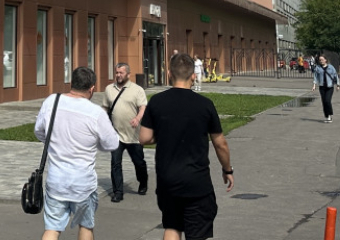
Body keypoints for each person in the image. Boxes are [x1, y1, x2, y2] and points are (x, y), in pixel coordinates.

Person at [140, 54, 234, 240]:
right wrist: (227, 169)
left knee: (172, 226)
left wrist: (166, 134)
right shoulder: (205, 105)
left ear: (169, 74)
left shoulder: (156, 101)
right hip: (196, 181)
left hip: (167, 180)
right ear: (193, 76)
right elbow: (220, 144)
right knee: (197, 233)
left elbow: (144, 138)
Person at [35, 67, 119, 240]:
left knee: (52, 228)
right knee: (86, 226)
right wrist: (94, 144)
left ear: (71, 83)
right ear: (92, 88)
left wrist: (56, 142)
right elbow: (112, 143)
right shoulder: (96, 113)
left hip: (56, 180)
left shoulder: (51, 102)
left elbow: (39, 131)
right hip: (83, 182)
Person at [104, 63, 149, 202]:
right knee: (115, 163)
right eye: (117, 72)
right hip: (116, 134)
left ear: (128, 74)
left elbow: (143, 107)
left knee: (139, 162)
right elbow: (105, 107)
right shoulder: (109, 89)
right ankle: (118, 192)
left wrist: (137, 118)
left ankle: (143, 182)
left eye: (121, 73)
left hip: (133, 135)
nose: (118, 75)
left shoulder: (137, 90)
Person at [311, 54, 340, 123]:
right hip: (322, 87)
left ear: (325, 60)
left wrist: (338, 85)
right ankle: (327, 116)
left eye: (322, 59)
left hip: (329, 87)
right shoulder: (318, 68)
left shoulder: (330, 67)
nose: (321, 61)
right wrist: (314, 85)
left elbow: (335, 75)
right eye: (320, 60)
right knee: (324, 102)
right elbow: (315, 76)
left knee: (327, 101)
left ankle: (330, 114)